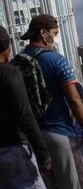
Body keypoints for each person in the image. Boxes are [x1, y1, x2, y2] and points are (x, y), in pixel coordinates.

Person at [15, 14, 83, 189]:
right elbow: (74, 99)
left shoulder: (16, 62)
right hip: (59, 133)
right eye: (55, 33)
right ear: (44, 33)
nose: (55, 37)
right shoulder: (56, 60)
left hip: (31, 138)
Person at [0, 25, 50, 188]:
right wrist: (44, 154)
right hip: (14, 150)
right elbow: (24, 114)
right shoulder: (9, 73)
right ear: (6, 48)